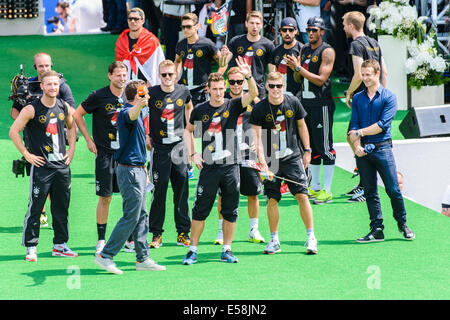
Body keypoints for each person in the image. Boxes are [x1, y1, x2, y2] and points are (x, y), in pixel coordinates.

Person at [182, 57, 258, 265]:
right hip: (208, 168)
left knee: (230, 209)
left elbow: (253, 94)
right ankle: (193, 250)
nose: (217, 92)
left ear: (224, 88)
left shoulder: (233, 105)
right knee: (200, 209)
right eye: (213, 89)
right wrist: (193, 154)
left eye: (220, 88)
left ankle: (227, 249)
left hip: (230, 166)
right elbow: (189, 132)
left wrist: (248, 75)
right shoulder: (200, 110)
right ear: (208, 89)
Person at [94, 80, 166, 274]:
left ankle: (142, 258)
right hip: (129, 172)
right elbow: (131, 115)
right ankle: (106, 255)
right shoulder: (128, 112)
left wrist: (144, 171)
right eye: (145, 94)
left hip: (138, 170)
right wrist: (139, 105)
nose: (149, 97)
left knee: (142, 215)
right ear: (137, 96)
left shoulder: (138, 110)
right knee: (131, 216)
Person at [9, 70, 78, 262]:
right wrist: (27, 154)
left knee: (61, 207)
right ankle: (31, 246)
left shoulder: (63, 106)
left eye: (55, 84)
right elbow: (13, 131)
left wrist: (71, 149)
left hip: (62, 167)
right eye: (49, 84)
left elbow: (72, 127)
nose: (53, 88)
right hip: (41, 167)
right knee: (36, 207)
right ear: (42, 86)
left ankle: (60, 245)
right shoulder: (31, 109)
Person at [348, 59, 415, 243]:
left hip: (383, 148)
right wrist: (357, 147)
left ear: (377, 74)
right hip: (363, 152)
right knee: (370, 191)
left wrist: (359, 133)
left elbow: (382, 125)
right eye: (363, 75)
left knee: (393, 189)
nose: (365, 78)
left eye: (368, 74)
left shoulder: (389, 97)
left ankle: (402, 224)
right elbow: (353, 125)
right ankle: (377, 229)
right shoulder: (358, 98)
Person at [250, 71, 317, 255]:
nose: (275, 90)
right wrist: (262, 163)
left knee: (302, 196)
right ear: (266, 87)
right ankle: (274, 240)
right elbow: (257, 139)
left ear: (283, 86)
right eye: (271, 86)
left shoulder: (293, 102)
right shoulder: (259, 109)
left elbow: (302, 126)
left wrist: (308, 150)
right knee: (272, 199)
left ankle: (311, 238)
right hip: (271, 160)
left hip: (293, 156)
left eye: (278, 86)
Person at [73, 61, 127, 254]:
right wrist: (88, 140)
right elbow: (77, 114)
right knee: (106, 197)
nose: (122, 78)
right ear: (109, 76)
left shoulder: (131, 95)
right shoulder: (99, 95)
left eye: (124, 75)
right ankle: (101, 240)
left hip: (126, 156)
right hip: (105, 154)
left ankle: (129, 239)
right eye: (118, 75)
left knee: (130, 197)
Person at [214, 66, 264, 245]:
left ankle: (254, 229)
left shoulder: (253, 99)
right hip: (226, 154)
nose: (236, 85)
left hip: (247, 152)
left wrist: (257, 140)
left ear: (244, 82)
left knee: (252, 193)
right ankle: (221, 231)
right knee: (224, 194)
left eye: (239, 82)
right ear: (228, 83)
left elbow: (263, 121)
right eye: (233, 82)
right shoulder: (221, 100)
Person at [147, 60, 193, 249]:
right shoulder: (152, 93)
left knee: (181, 190)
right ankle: (157, 234)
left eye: (170, 74)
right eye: (163, 75)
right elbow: (140, 111)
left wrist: (189, 130)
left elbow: (189, 107)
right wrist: (147, 134)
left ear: (176, 75)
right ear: (159, 76)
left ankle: (183, 233)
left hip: (179, 148)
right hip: (160, 149)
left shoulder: (184, 91)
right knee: (159, 191)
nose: (167, 78)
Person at [343, 10, 388, 203]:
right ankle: (363, 180)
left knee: (355, 137)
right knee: (357, 138)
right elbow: (385, 73)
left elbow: (358, 74)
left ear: (352, 26)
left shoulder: (356, 44)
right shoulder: (374, 42)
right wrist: (383, 96)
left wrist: (349, 92)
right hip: (376, 96)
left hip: (364, 98)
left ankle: (365, 184)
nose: (343, 27)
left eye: (344, 24)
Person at [293, 16, 336, 205]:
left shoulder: (327, 51)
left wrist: (298, 68)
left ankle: (327, 190)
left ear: (322, 32)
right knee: (313, 147)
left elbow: (320, 79)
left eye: (314, 30)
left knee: (325, 147)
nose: (310, 33)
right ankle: (316, 187)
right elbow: (298, 79)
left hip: (322, 104)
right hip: (306, 104)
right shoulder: (303, 49)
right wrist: (295, 69)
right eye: (309, 29)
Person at [174, 12, 226, 107]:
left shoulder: (207, 44)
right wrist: (175, 77)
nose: (185, 30)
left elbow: (223, 63)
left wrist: (213, 81)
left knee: (199, 121)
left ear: (197, 26)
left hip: (201, 90)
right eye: (183, 27)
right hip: (184, 89)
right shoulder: (181, 43)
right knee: (185, 120)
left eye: (189, 26)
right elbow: (177, 61)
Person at [221, 10, 275, 99]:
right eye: (252, 23)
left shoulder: (268, 44)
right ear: (246, 24)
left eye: (257, 24)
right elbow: (223, 63)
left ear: (261, 25)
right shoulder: (235, 41)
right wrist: (223, 56)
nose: (254, 27)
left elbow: (272, 73)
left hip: (258, 90)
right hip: (238, 89)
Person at [115, 7, 165, 86]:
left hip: (147, 86)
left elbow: (157, 65)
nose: (132, 21)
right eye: (130, 19)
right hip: (126, 86)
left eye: (136, 19)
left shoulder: (151, 41)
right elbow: (118, 65)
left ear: (142, 21)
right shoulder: (121, 40)